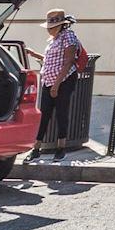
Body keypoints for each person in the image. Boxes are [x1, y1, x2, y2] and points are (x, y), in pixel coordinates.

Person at [31, 8, 86, 160]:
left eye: (52, 27)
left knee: (62, 112)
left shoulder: (68, 37)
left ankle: (61, 147)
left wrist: (56, 85)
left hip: (64, 80)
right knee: (44, 114)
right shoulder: (54, 40)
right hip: (49, 80)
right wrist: (34, 54)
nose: (49, 30)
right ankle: (36, 148)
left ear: (61, 25)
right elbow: (53, 60)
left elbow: (68, 62)